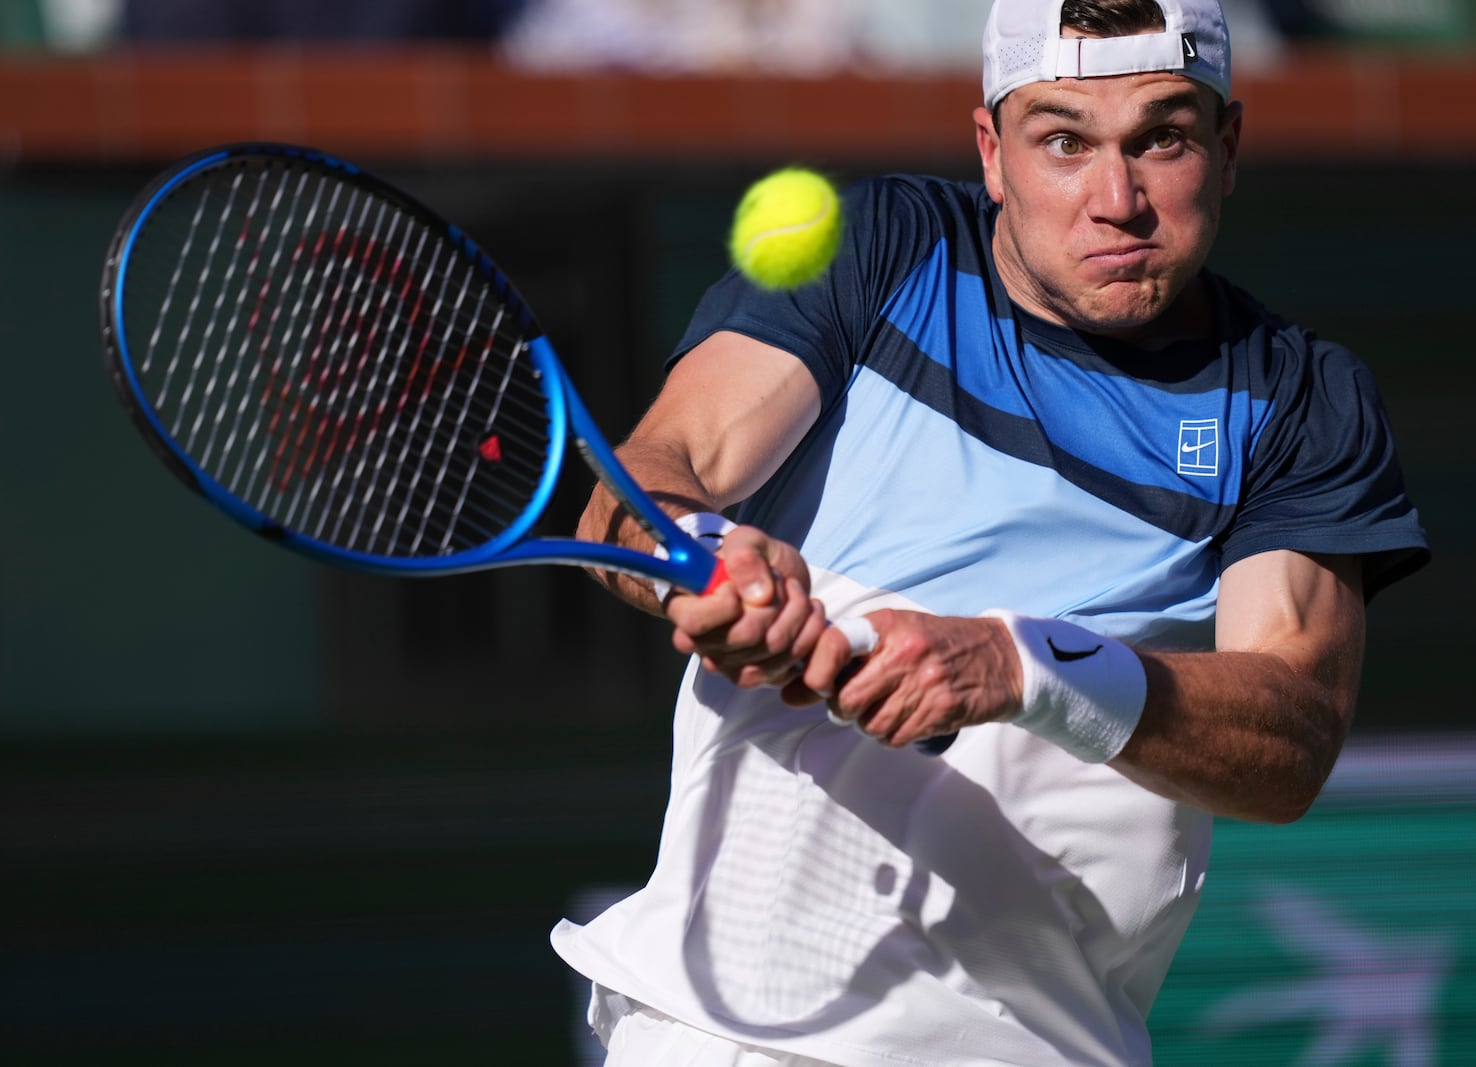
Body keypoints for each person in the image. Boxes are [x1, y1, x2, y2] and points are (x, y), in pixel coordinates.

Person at [551, 0, 1430, 1063]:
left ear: (1226, 146)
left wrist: (1025, 666)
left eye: (1162, 137)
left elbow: (1288, 737)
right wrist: (701, 556)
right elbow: (642, 485)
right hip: (728, 1030)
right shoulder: (881, 250)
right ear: (992, 153)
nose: (1117, 200)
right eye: (1063, 140)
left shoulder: (1297, 397)